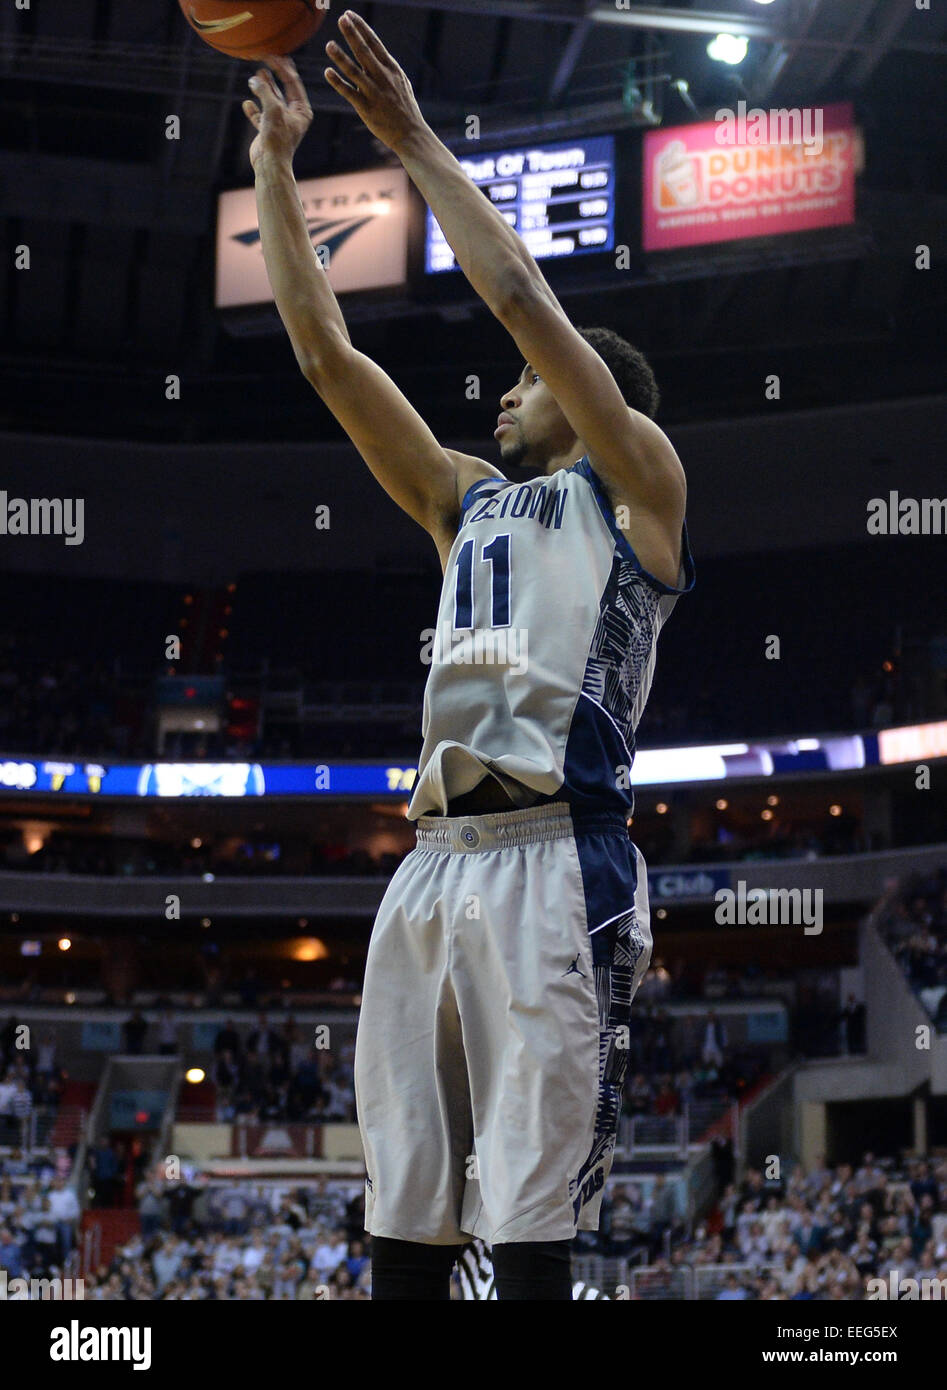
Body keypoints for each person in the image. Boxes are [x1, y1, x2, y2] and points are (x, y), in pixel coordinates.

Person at [243, 12, 692, 1301]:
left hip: (557, 861)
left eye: (530, 379)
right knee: (406, 1217)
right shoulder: (465, 500)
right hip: (431, 870)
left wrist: (413, 141)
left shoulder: (639, 487)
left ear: (597, 393)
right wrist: (279, 164)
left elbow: (520, 295)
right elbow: (328, 358)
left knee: (530, 1224)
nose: (503, 388)